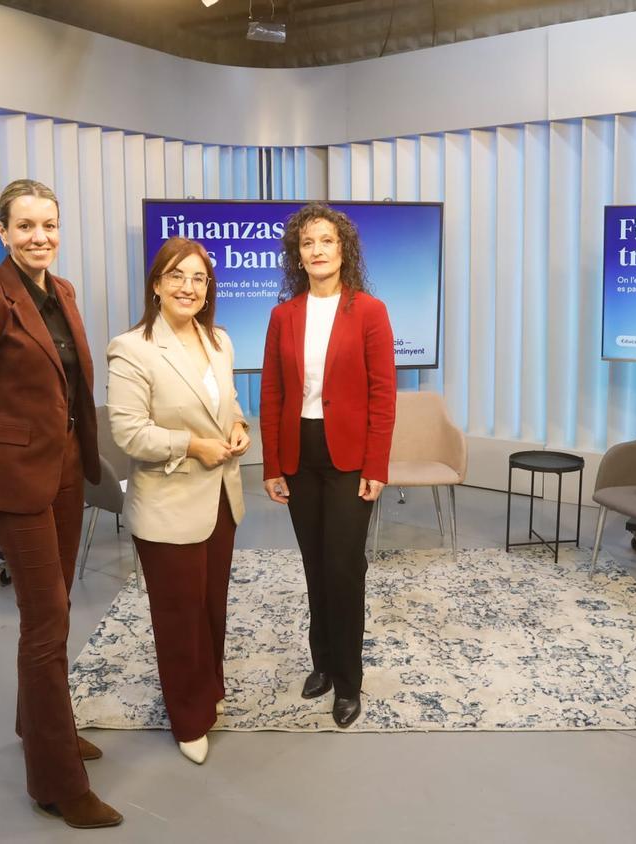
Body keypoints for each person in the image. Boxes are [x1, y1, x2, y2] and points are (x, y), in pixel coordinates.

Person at [0, 179, 122, 830]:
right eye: (25, 226)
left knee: (59, 605)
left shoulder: (62, 291)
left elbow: (70, 384)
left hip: (69, 469)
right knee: (44, 623)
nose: (39, 237)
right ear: (2, 232)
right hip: (18, 478)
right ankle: (56, 783)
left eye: (48, 224)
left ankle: (39, 726)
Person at [106, 236, 249, 765]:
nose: (189, 287)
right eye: (177, 276)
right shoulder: (133, 348)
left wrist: (238, 428)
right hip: (167, 504)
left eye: (199, 278)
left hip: (220, 500)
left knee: (211, 607)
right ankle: (187, 717)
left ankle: (207, 691)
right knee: (178, 616)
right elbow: (128, 432)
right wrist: (191, 444)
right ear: (156, 285)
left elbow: (229, 403)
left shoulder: (219, 341)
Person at [259, 203, 396, 729]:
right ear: (298, 254)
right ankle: (321, 663)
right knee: (315, 565)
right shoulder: (283, 316)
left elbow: (384, 395)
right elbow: (272, 393)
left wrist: (376, 465)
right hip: (299, 454)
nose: (317, 251)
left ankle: (349, 679)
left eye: (326, 241)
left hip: (348, 459)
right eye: (307, 243)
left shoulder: (369, 311)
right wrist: (272, 464)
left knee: (344, 567)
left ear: (344, 250)